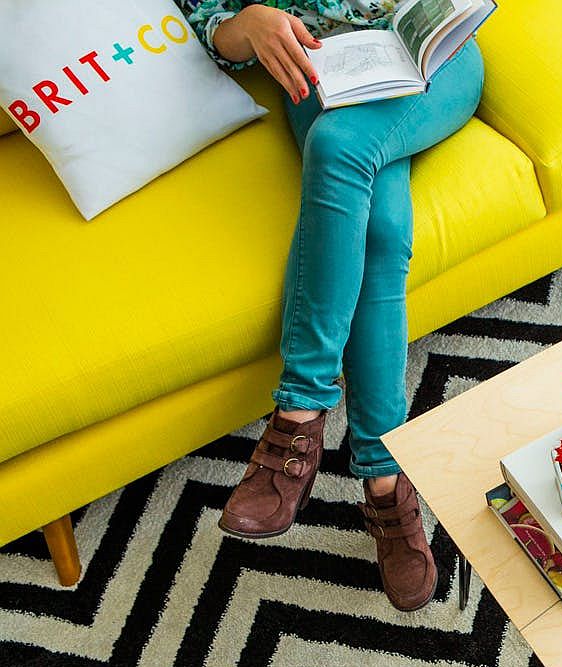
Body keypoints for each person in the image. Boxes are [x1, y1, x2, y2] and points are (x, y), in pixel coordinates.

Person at [183, 0, 485, 611]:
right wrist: (252, 26)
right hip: (321, 77)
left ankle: (298, 417)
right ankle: (383, 479)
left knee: (341, 149)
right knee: (381, 233)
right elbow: (214, 28)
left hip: (430, 61)